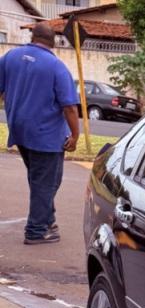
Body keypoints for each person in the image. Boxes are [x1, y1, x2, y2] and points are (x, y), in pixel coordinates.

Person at [0, 23, 80, 245]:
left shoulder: (10, 57)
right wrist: (75, 136)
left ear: (32, 37)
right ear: (53, 42)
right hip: (46, 136)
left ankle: (47, 220)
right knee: (46, 184)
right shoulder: (56, 66)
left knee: (40, 181)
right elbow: (70, 107)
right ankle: (36, 231)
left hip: (20, 131)